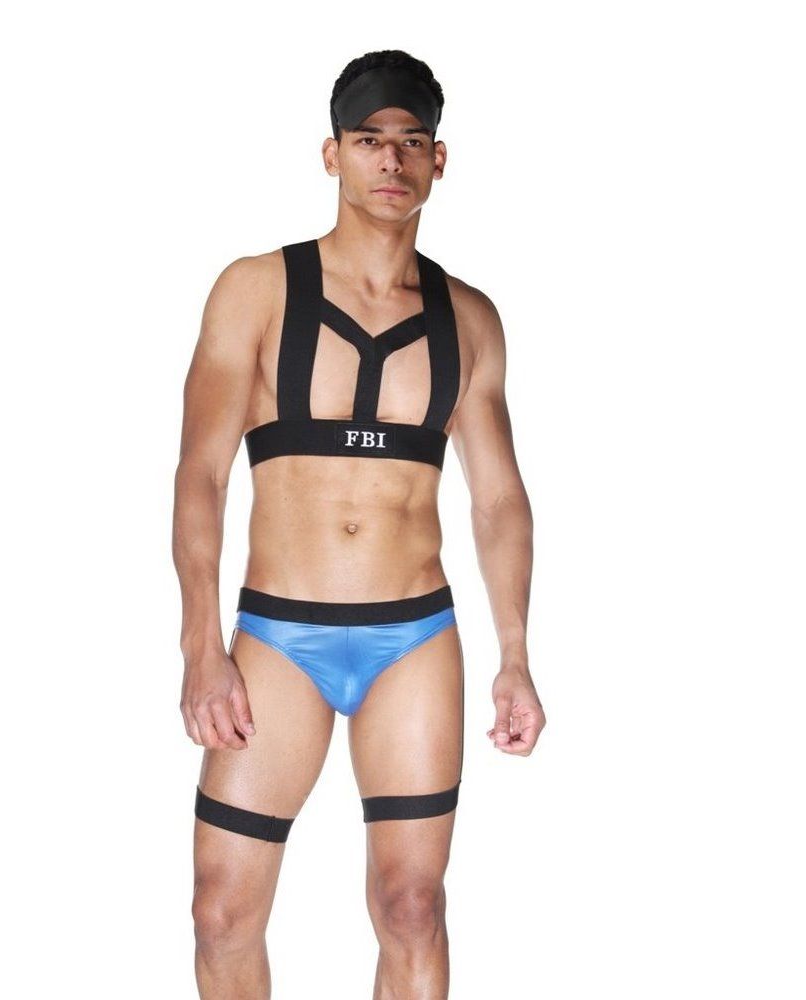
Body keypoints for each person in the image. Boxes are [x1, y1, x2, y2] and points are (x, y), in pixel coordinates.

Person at [173, 48, 545, 999]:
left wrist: (514, 653)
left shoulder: (469, 318)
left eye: (412, 142)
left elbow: (498, 498)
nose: (392, 160)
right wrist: (200, 645)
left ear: (438, 160)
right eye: (370, 140)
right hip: (278, 639)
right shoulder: (256, 289)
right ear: (332, 153)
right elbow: (201, 475)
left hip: (411, 638)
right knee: (222, 910)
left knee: (412, 906)